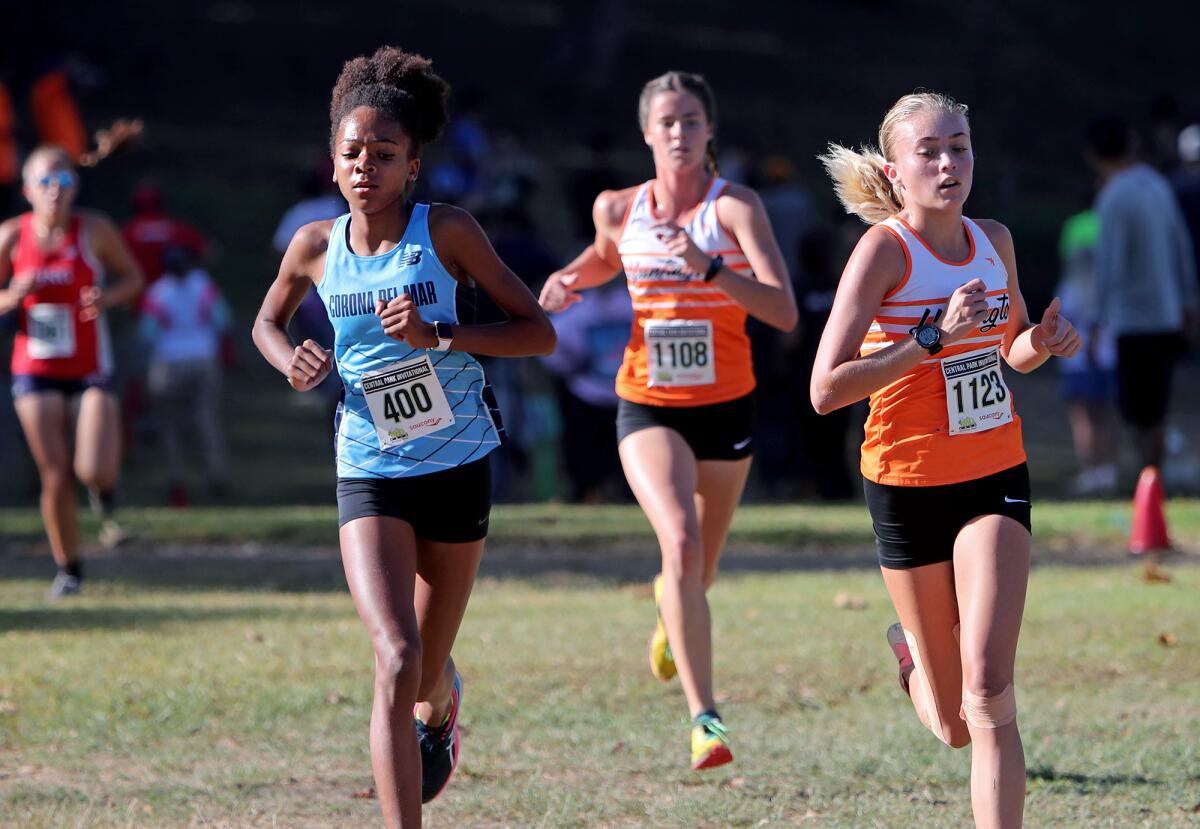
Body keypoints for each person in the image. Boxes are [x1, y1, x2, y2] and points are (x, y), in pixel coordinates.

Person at [252, 47, 555, 827]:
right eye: (352, 154)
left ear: (413, 167)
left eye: (384, 155)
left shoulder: (448, 232)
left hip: (457, 464)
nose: (366, 168)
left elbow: (538, 333)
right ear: (332, 163)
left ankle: (442, 706)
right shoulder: (315, 248)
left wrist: (442, 334)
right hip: (369, 464)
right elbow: (266, 321)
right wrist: (294, 359)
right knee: (393, 656)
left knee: (422, 670)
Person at [812, 92, 1080, 828]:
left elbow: (1012, 348)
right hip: (905, 485)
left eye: (958, 147)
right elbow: (825, 389)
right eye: (928, 151)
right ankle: (910, 659)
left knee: (991, 692)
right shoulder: (884, 252)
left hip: (994, 473)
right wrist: (928, 339)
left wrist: (1044, 342)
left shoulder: (995, 238)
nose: (947, 163)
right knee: (955, 720)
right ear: (896, 171)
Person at [539, 70, 797, 770]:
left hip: (726, 407)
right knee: (679, 543)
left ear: (710, 130)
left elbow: (783, 309)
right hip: (648, 402)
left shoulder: (736, 208)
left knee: (698, 567)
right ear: (646, 133)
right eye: (667, 122)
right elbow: (601, 259)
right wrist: (566, 280)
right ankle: (705, 719)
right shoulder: (619, 208)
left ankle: (669, 613)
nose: (679, 133)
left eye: (691, 121)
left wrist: (711, 270)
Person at [0, 145, 143, 596]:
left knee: (94, 467)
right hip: (35, 367)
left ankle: (103, 492)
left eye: (63, 181)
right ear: (27, 190)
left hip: (89, 366)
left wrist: (107, 298)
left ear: (74, 186)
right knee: (55, 472)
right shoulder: (10, 236)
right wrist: (11, 296)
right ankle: (69, 568)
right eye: (44, 182)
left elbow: (133, 279)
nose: (55, 191)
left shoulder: (94, 229)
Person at [1086, 117, 1197, 474]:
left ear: (1094, 155)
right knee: (1157, 405)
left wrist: (1097, 320)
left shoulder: (1113, 195)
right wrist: (1188, 300)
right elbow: (1182, 245)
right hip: (1166, 313)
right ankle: (1154, 477)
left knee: (1137, 407)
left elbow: (1110, 264)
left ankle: (1147, 480)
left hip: (1133, 318)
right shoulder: (1157, 185)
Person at [140, 245, 232, 506]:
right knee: (207, 420)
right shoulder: (202, 284)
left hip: (168, 362)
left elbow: (147, 333)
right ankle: (216, 474)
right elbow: (222, 319)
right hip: (203, 357)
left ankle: (177, 481)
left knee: (169, 425)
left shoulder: (158, 291)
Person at [1054, 206, 1118, 496]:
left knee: (1091, 412)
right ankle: (1097, 470)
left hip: (1088, 353)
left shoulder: (1080, 285)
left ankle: (1099, 470)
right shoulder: (1078, 284)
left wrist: (1090, 339)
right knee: (1094, 412)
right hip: (1086, 354)